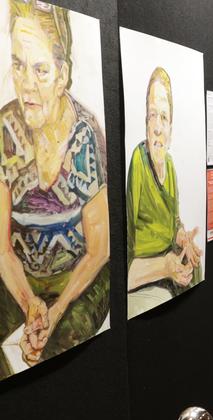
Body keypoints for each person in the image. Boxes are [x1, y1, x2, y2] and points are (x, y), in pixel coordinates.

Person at [0, 0, 109, 378]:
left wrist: (56, 309)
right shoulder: (5, 130)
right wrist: (30, 303)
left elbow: (98, 252)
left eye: (41, 70)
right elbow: (1, 248)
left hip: (78, 280)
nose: (26, 84)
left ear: (62, 75)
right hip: (20, 280)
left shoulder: (86, 135)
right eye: (17, 64)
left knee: (66, 350)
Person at [126, 67, 202, 319]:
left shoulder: (169, 165)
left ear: (172, 128)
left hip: (166, 269)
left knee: (196, 271)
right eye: (152, 116)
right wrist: (164, 267)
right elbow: (124, 263)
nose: (158, 127)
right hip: (144, 277)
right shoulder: (138, 161)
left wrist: (183, 239)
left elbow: (173, 222)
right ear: (145, 123)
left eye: (164, 118)